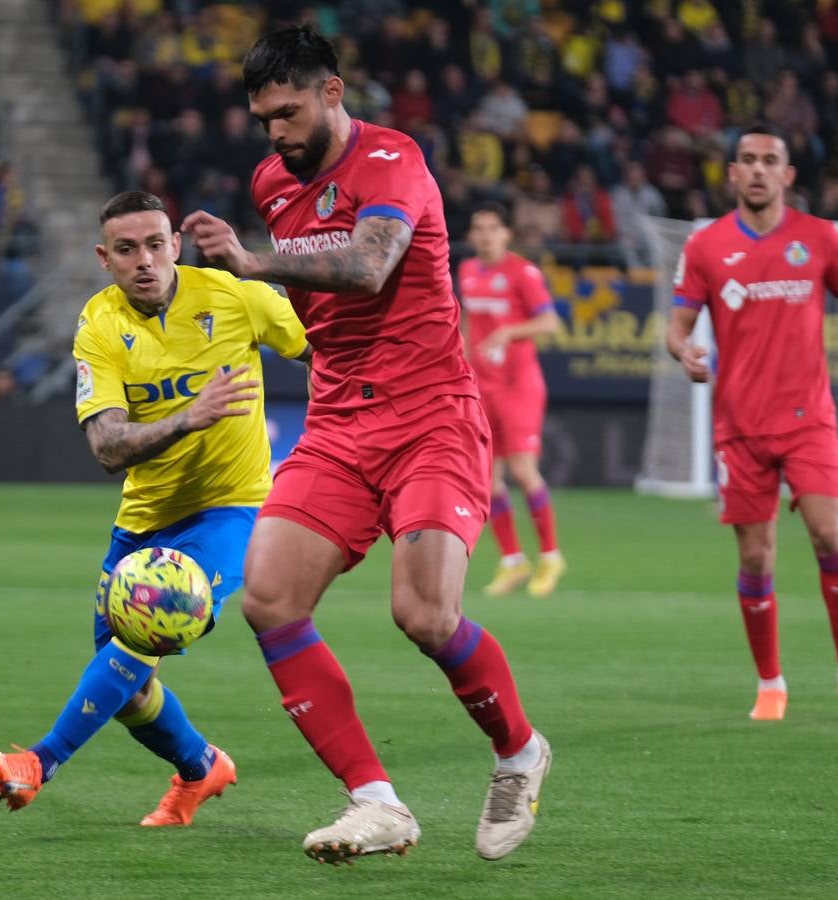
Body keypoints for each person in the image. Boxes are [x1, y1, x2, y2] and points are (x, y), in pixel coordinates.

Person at [182, 27, 550, 864]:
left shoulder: (392, 161)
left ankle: (519, 751)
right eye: (262, 117)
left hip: (431, 417)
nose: (276, 132)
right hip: (340, 425)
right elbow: (313, 311)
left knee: (422, 614)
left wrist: (248, 263)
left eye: (288, 111)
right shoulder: (272, 181)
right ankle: (376, 803)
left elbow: (372, 266)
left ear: (332, 93)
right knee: (269, 598)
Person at [0, 191, 308, 826]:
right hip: (144, 518)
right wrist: (192, 416)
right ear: (105, 258)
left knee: (142, 629)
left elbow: (332, 354)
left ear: (175, 245)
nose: (145, 260)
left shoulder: (235, 296)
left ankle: (38, 764)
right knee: (126, 688)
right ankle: (201, 766)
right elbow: (106, 446)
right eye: (127, 250)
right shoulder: (99, 325)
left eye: (156, 244)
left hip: (230, 509)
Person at [666, 124, 838, 722]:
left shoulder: (819, 238)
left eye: (768, 160)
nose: (756, 169)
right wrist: (682, 350)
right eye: (746, 159)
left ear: (787, 175)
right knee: (756, 559)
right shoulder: (705, 246)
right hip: (740, 427)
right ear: (731, 173)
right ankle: (771, 684)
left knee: (828, 534)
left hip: (808, 421)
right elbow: (678, 323)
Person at [457, 203, 565, 597]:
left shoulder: (523, 273)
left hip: (518, 385)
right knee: (487, 479)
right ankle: (513, 561)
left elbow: (550, 322)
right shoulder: (467, 271)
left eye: (492, 228)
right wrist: (463, 358)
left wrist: (508, 333)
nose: (485, 235)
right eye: (478, 228)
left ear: (506, 234)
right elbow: (468, 320)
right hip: (482, 386)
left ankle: (551, 555)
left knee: (522, 470)